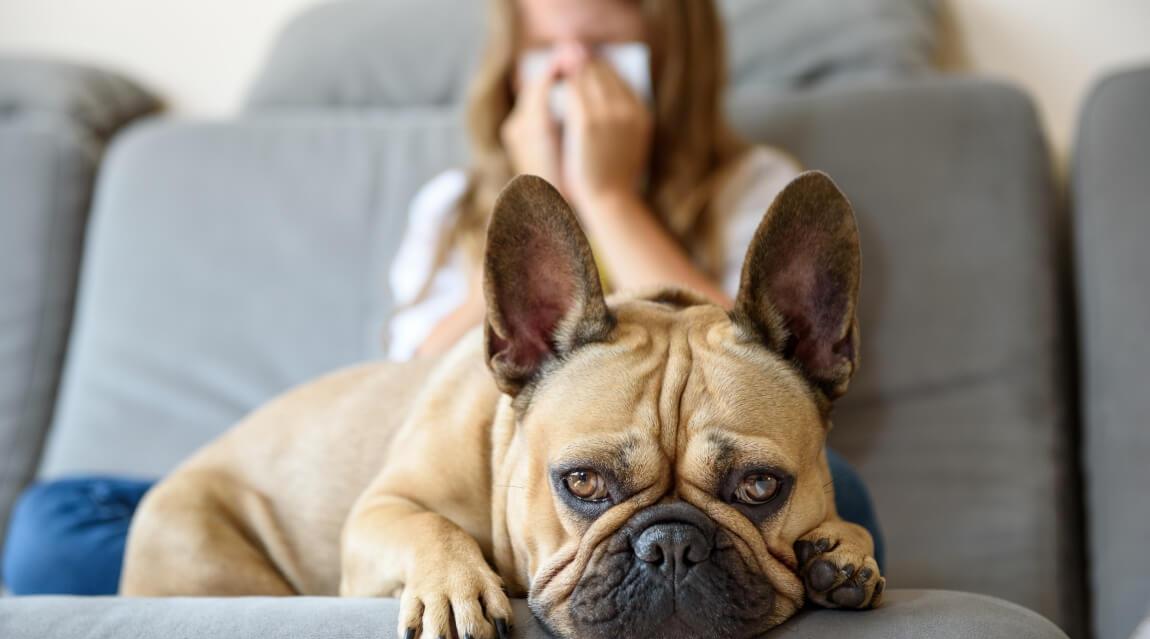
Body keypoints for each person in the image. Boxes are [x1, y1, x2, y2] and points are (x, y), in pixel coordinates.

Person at [1, 0, 882, 596]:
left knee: (838, 489)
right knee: (53, 520)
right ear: (510, 69)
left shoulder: (747, 189)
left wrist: (612, 198)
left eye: (609, 55)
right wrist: (545, 193)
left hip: (647, 481)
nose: (576, 79)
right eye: (548, 56)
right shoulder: (456, 206)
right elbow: (435, 391)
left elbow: (748, 381)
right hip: (365, 499)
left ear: (676, 61)